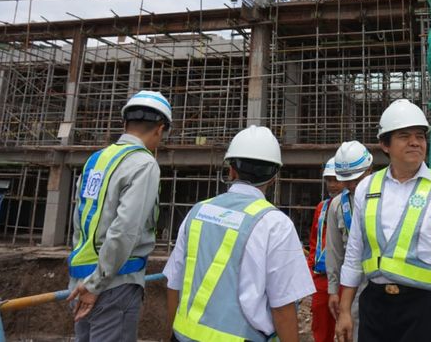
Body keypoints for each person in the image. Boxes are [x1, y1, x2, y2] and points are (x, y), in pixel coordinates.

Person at [335, 99, 431, 342]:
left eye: (420, 136)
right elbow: (354, 255)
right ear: (385, 144)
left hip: (428, 309)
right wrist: (345, 312)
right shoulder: (367, 188)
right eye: (405, 136)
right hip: (376, 307)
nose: (415, 142)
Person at [164, 125, 315, 342]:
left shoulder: (198, 212)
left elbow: (173, 284)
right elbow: (283, 308)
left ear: (231, 170)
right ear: (274, 176)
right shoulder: (275, 224)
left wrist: (170, 333)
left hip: (182, 337)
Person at [66, 90, 171, 342]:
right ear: (159, 129)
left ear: (125, 123)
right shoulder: (144, 163)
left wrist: (86, 282)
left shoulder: (96, 160)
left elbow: (80, 221)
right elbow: (125, 229)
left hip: (79, 278)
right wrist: (96, 284)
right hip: (114, 282)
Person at [326, 141, 373, 340]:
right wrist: (333, 289)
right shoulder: (338, 205)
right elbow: (334, 251)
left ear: (370, 169)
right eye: (347, 181)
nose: (352, 185)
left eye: (357, 179)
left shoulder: (387, 197)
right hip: (353, 284)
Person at [308, 157, 343, 342]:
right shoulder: (321, 207)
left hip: (346, 280)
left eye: (336, 180)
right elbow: (314, 242)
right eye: (329, 180)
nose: (332, 185)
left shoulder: (354, 206)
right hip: (322, 278)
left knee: (347, 327)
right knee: (321, 328)